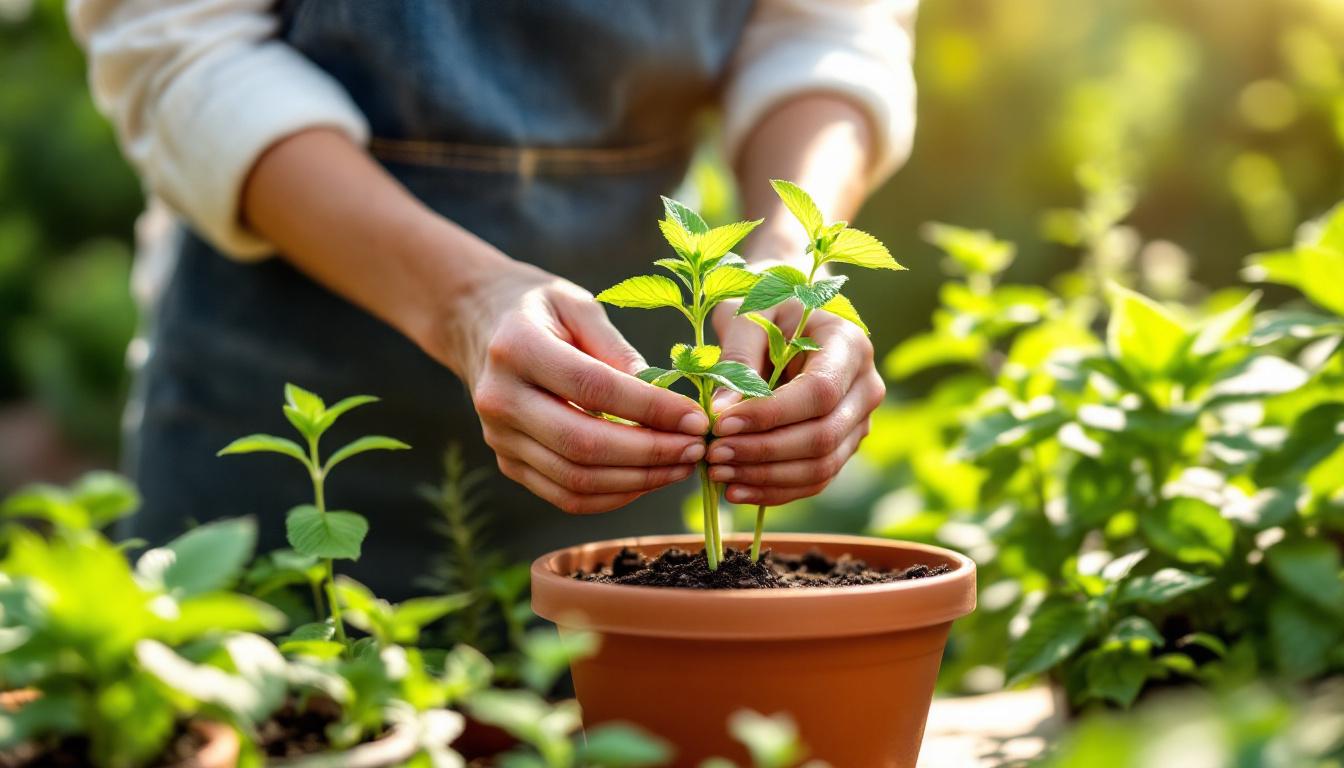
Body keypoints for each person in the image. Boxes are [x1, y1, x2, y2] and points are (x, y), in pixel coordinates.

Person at [70, 0, 917, 598]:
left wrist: (788, 264)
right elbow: (176, 44)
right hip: (283, 355)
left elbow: (827, 30)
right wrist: (465, 300)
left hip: (621, 424)